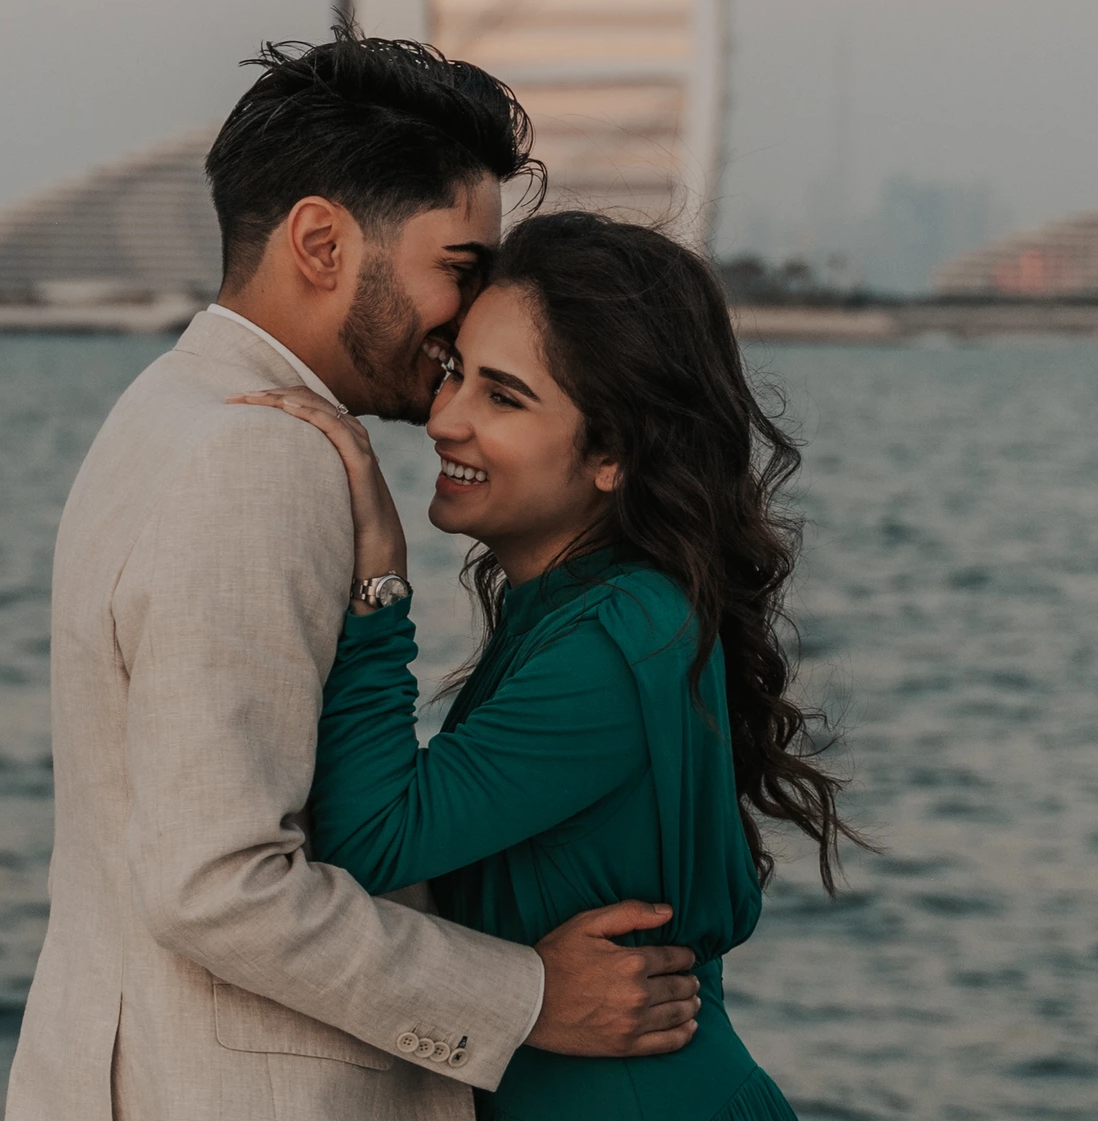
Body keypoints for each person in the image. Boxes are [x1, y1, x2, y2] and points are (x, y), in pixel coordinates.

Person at [6, 30, 700, 1121]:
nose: (466, 320)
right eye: (458, 271)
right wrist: (524, 999)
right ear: (322, 243)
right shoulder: (263, 454)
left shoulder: (164, 409)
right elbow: (219, 886)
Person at [241, 209, 866, 1121]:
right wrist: (530, 984)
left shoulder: (620, 636)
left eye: (504, 397)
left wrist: (377, 582)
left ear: (613, 453)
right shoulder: (588, 611)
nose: (443, 417)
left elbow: (372, 837)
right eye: (456, 372)